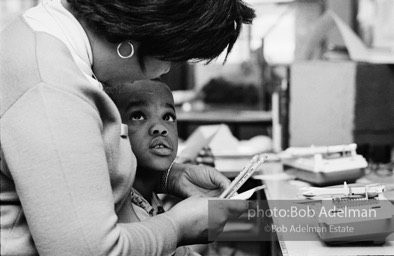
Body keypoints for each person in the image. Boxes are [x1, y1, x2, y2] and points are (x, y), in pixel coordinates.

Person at [0, 0, 255, 255]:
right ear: (141, 35)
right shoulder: (52, 89)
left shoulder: (46, 39)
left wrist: (167, 177)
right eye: (172, 57)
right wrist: (176, 227)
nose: (166, 69)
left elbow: (65, 174)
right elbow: (87, 251)